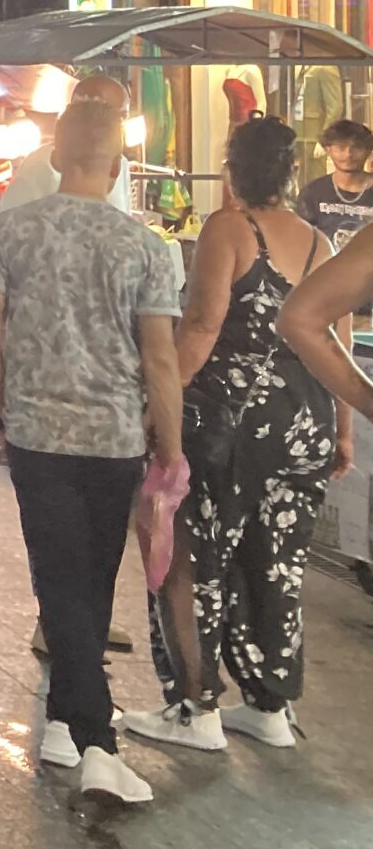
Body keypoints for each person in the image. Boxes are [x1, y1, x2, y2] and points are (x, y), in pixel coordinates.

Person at [0, 99, 184, 805]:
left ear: (56, 157)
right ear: (119, 165)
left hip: (36, 432)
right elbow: (160, 359)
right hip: (116, 437)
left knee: (62, 578)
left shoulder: (11, 230)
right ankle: (96, 740)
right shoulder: (145, 247)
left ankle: (72, 723)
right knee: (91, 577)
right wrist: (170, 445)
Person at [125, 119, 347, 755]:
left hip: (233, 425)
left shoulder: (230, 228)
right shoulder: (319, 243)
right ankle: (269, 705)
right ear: (290, 173)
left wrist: (158, 404)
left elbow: (200, 327)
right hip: (305, 421)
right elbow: (333, 338)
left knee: (195, 558)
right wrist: (344, 430)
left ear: (232, 170)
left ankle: (195, 707)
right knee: (277, 564)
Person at [4, 74, 134, 212]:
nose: (119, 125)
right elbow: (10, 221)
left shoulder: (121, 164)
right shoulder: (38, 166)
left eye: (123, 118)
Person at [298, 117, 373, 253]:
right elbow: (302, 243)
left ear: (368, 151)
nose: (348, 154)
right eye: (341, 147)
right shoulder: (312, 193)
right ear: (328, 150)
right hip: (325, 265)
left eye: (356, 147)